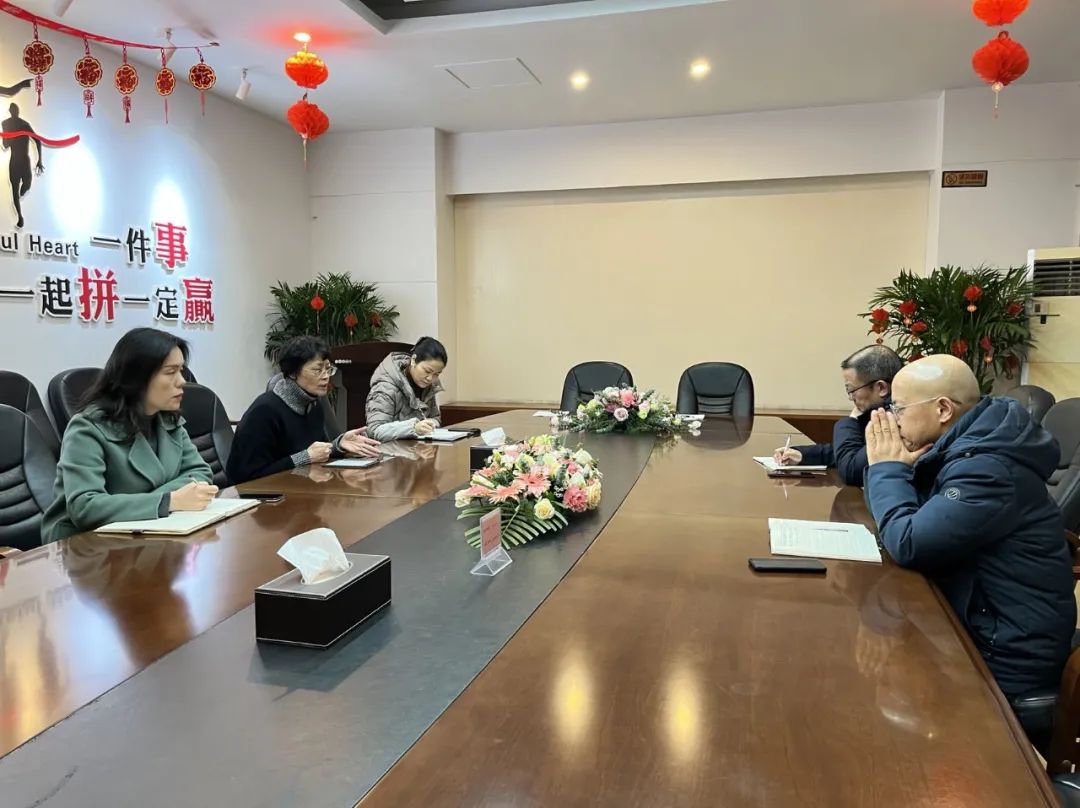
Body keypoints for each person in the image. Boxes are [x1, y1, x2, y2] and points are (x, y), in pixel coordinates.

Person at [864, 354, 1075, 699]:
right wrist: (898, 467)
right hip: (975, 623)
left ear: (943, 410)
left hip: (1005, 656)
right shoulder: (967, 445)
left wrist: (887, 469)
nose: (893, 418)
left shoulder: (988, 469)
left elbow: (909, 542)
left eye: (898, 409)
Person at [41, 328, 217, 543]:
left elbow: (200, 471)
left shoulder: (167, 419)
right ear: (137, 377)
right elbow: (85, 506)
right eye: (170, 372)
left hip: (149, 533)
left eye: (181, 370)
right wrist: (168, 501)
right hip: (84, 545)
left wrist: (162, 501)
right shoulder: (87, 428)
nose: (181, 381)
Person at [227, 335, 381, 485]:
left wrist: (338, 445)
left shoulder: (313, 404)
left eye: (328, 369)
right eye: (317, 370)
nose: (326, 376)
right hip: (261, 496)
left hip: (299, 489)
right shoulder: (264, 412)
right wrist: (304, 458)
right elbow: (246, 476)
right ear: (293, 373)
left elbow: (315, 453)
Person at [774, 345, 902, 486]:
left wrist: (851, 420)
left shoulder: (896, 419)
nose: (851, 397)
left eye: (852, 390)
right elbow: (852, 451)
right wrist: (802, 455)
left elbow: (851, 470)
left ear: (881, 388)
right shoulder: (883, 410)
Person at [365, 337, 446, 441]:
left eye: (436, 374)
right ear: (413, 360)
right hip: (389, 449)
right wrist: (413, 428)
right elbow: (374, 430)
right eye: (427, 371)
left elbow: (435, 418)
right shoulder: (386, 386)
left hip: (415, 447)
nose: (430, 378)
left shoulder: (427, 385)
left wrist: (432, 423)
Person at [3, 102, 43, 229]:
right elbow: (5, 144)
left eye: (16, 110)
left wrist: (39, 160)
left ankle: (21, 194)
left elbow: (37, 140)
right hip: (14, 160)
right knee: (14, 190)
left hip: (25, 160)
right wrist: (13, 136)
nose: (14, 112)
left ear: (18, 111)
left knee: (27, 184)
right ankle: (20, 216)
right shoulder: (6, 124)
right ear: (10, 111)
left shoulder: (24, 124)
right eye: (12, 110)